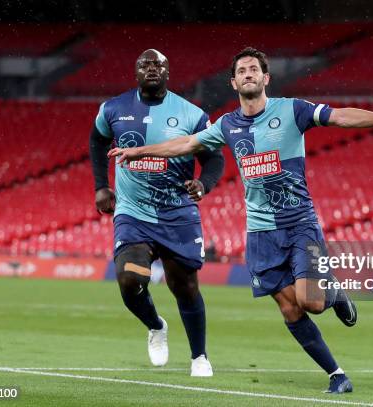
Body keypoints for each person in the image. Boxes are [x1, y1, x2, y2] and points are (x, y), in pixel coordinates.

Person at [108, 47, 373, 393]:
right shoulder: (227, 125)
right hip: (261, 234)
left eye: (253, 69)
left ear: (265, 78)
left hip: (300, 223)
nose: (248, 74)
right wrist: (137, 151)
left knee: (312, 302)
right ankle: (337, 375)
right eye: (242, 70)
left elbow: (340, 116)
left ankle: (334, 294)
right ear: (233, 82)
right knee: (289, 308)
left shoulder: (293, 110)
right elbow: (185, 144)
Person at [89, 48, 224, 377]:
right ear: (135, 72)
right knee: (129, 280)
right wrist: (100, 186)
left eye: (158, 64)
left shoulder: (191, 114)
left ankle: (199, 357)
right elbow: (96, 140)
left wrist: (203, 184)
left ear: (167, 72)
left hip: (178, 214)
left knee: (185, 286)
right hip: (133, 214)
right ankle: (156, 325)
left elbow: (215, 157)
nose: (151, 68)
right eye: (145, 64)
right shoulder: (113, 109)